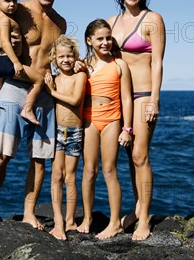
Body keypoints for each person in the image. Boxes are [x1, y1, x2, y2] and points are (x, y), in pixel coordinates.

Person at [0, 0, 66, 230]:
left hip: (43, 94)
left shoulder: (60, 22)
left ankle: (29, 212)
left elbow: (56, 58)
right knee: (2, 154)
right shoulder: (19, 9)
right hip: (14, 86)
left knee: (39, 158)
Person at [107, 0, 165, 241]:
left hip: (142, 96)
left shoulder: (153, 20)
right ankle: (136, 209)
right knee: (129, 158)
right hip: (117, 99)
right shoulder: (111, 22)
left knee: (140, 155)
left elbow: (157, 63)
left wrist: (154, 99)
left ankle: (144, 220)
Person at [77, 19, 133, 240]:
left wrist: (126, 129)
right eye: (100, 39)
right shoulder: (83, 65)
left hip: (112, 121)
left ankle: (114, 223)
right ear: (89, 41)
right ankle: (87, 218)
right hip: (89, 120)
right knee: (89, 171)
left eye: (108, 38)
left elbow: (127, 98)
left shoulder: (120, 65)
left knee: (110, 171)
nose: (105, 42)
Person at [0, 0, 45, 139]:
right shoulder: (5, 20)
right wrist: (16, 62)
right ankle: (28, 109)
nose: (12, 4)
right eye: (7, 1)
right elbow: (4, 41)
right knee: (39, 80)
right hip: (8, 62)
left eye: (14, 0)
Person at [44, 35, 87, 240]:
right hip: (57, 131)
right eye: (61, 56)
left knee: (70, 177)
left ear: (75, 57)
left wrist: (52, 92)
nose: (66, 60)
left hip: (74, 131)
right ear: (54, 58)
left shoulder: (80, 77)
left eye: (70, 56)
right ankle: (58, 222)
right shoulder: (54, 78)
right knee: (56, 177)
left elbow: (75, 99)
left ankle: (70, 220)